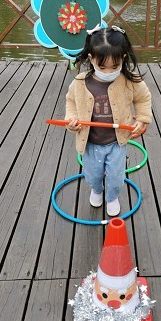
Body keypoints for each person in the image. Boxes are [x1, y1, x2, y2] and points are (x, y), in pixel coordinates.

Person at [65, 24, 152, 217]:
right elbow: (71, 101)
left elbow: (143, 98)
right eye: (102, 67)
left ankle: (112, 197)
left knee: (115, 175)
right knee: (92, 173)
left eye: (114, 66)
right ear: (91, 58)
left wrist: (143, 118)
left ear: (123, 58)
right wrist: (71, 119)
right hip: (91, 142)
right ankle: (96, 190)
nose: (108, 72)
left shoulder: (130, 81)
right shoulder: (80, 82)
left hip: (116, 142)